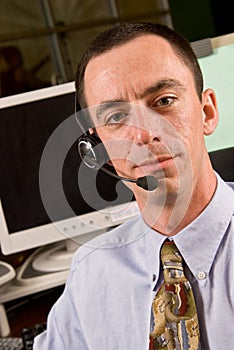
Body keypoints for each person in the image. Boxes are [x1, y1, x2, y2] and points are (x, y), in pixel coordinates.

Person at [33, 22, 234, 349]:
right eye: (115, 117)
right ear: (99, 151)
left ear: (207, 112)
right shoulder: (91, 272)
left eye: (164, 100)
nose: (144, 134)